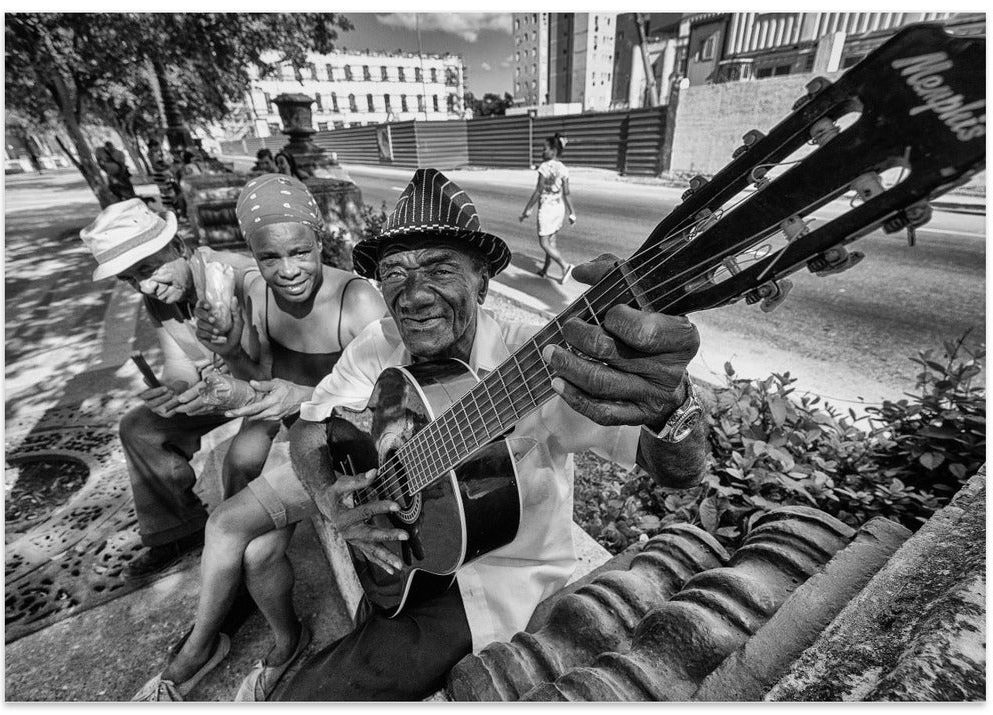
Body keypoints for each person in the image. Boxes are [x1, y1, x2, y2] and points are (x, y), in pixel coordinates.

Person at [273, 168, 708, 700]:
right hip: (409, 562)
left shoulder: (541, 363)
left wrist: (675, 407)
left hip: (494, 588)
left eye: (439, 268)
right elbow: (309, 427)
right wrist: (328, 497)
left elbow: (679, 471)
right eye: (394, 273)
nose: (413, 296)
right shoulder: (377, 344)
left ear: (482, 280)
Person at [131, 174, 387, 702]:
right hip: (295, 440)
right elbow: (258, 379)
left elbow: (389, 400)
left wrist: (299, 397)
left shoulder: (356, 299)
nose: (288, 270)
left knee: (226, 524)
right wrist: (225, 359)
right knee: (257, 554)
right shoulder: (256, 292)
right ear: (253, 257)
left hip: (342, 448)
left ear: (321, 241)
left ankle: (197, 651)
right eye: (270, 258)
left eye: (301, 252)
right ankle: (288, 642)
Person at [80, 199, 270, 580]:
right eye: (131, 279)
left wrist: (215, 386)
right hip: (219, 387)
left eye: (148, 269)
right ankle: (178, 531)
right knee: (139, 427)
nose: (145, 285)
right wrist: (174, 390)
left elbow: (264, 371)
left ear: (180, 247)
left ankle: (242, 566)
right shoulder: (160, 298)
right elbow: (181, 363)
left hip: (264, 385)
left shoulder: (237, 278)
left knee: (239, 463)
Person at [519, 133, 577, 284]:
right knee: (551, 241)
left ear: (553, 150)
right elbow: (567, 193)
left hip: (546, 209)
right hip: (559, 208)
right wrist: (572, 213)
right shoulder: (564, 168)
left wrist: (527, 209)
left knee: (544, 243)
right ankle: (545, 270)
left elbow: (538, 190)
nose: (542, 152)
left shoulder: (544, 167)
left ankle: (565, 266)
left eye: (544, 149)